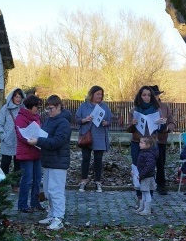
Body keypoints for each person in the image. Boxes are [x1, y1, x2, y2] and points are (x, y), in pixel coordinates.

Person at [28, 95, 72, 230]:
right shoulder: (49, 121)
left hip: (58, 161)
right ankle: (52, 214)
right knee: (47, 191)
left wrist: (38, 141)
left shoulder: (63, 123)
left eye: (51, 108)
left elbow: (56, 142)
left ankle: (59, 218)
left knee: (56, 191)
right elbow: (45, 137)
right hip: (48, 160)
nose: (48, 111)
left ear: (59, 106)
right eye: (47, 109)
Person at [127, 86, 167, 205]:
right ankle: (139, 197)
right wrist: (133, 124)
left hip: (151, 144)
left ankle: (149, 198)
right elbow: (128, 129)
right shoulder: (134, 111)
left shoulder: (156, 110)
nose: (147, 97)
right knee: (137, 169)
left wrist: (162, 124)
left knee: (149, 169)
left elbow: (161, 130)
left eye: (149, 95)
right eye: (144, 95)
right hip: (137, 143)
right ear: (140, 96)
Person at [75, 85, 114, 193]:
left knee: (98, 160)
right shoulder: (84, 106)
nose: (100, 96)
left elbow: (110, 120)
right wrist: (85, 119)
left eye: (101, 94)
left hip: (100, 136)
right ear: (92, 94)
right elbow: (77, 119)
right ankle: (83, 181)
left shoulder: (105, 107)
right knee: (86, 158)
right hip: (87, 136)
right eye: (97, 94)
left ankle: (98, 182)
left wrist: (106, 123)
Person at [15, 95, 43, 213]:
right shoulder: (21, 117)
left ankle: (35, 202)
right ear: (30, 106)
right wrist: (31, 139)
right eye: (36, 106)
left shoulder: (36, 117)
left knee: (37, 179)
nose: (38, 109)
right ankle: (22, 204)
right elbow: (21, 135)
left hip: (37, 150)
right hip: (26, 152)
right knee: (27, 179)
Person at [150, 86, 176, 194]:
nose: (154, 97)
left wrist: (167, 128)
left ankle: (161, 184)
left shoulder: (164, 107)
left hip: (161, 138)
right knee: (148, 162)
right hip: (148, 139)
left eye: (156, 95)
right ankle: (148, 184)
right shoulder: (145, 107)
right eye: (153, 95)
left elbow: (172, 122)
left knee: (161, 164)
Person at [0, 88, 23, 177]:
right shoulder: (6, 108)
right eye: (16, 96)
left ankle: (15, 184)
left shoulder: (24, 109)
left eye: (20, 97)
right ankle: (2, 185)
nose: (18, 99)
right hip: (7, 142)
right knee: (5, 164)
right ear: (12, 97)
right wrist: (4, 137)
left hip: (20, 141)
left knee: (18, 165)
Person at [135, 135, 159, 216]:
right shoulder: (144, 152)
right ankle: (143, 207)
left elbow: (149, 167)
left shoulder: (148, 154)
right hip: (144, 176)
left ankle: (147, 209)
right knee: (144, 192)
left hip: (146, 177)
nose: (139, 144)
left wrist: (141, 175)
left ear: (148, 145)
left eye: (142, 143)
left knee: (146, 193)